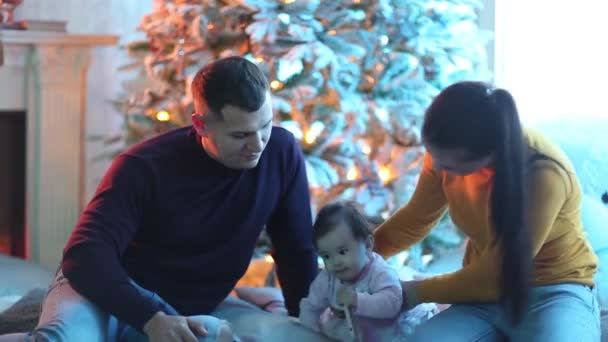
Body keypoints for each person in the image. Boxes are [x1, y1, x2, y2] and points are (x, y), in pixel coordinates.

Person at [11, 56, 319, 342]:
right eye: (240, 135)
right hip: (104, 294)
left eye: (265, 126)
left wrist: (308, 323)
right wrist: (150, 317)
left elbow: (297, 251)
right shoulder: (144, 166)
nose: (258, 145)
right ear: (200, 125)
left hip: (186, 311)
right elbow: (84, 255)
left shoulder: (281, 152)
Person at [374, 81, 600, 341]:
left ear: (491, 154)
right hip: (482, 297)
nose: (436, 166)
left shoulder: (543, 173)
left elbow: (496, 276)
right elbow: (415, 219)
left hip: (554, 291)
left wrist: (411, 292)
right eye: (433, 155)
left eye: (450, 164)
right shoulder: (446, 149)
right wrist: (362, 257)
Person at [299, 202, 404, 341]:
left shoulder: (379, 272)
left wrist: (357, 300)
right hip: (345, 332)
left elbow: (392, 302)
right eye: (326, 256)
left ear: (367, 245)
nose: (335, 262)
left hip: (384, 333)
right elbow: (310, 306)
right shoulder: (328, 278)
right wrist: (311, 333)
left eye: (342, 252)